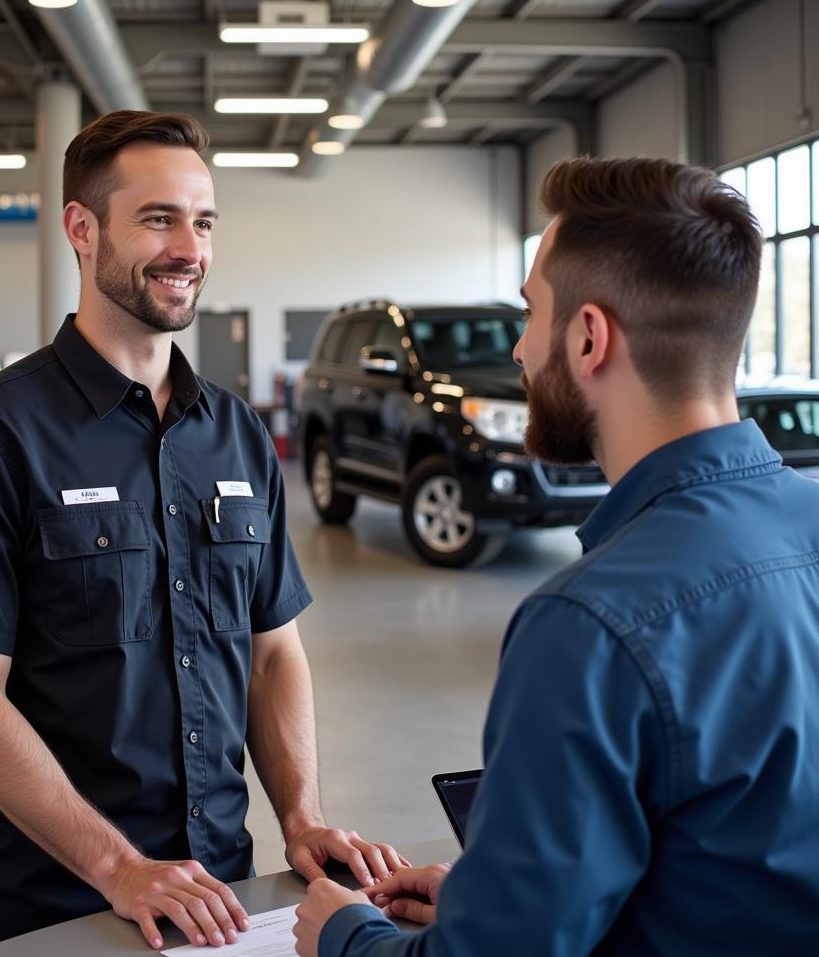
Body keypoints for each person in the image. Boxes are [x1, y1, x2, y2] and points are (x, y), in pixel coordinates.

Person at [0, 110, 406, 954]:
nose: (189, 249)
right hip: (50, 908)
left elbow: (274, 652)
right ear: (82, 231)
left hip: (218, 900)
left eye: (202, 221)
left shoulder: (236, 434)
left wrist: (301, 820)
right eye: (158, 218)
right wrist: (119, 867)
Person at [293, 157, 819, 956]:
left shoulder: (590, 626)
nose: (517, 349)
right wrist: (494, 898)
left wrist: (347, 934)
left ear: (587, 337)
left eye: (531, 313)